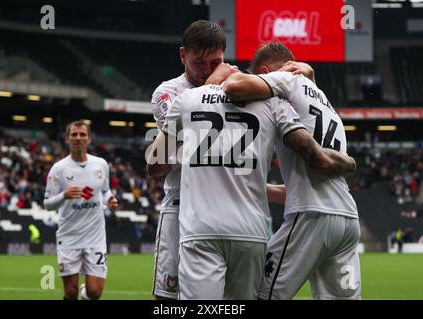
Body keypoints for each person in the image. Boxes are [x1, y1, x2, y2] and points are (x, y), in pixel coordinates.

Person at [148, 77, 355, 299]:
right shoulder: (281, 100)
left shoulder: (187, 98)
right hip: (263, 228)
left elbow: (155, 164)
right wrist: (349, 163)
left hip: (204, 223)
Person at [223, 41, 361, 300]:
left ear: (265, 72)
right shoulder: (326, 104)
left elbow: (234, 88)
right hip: (347, 221)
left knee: (258, 293)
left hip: (312, 216)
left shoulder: (286, 81)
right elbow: (309, 181)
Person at [148, 20, 238, 300]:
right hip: (181, 204)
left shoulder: (238, 87)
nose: (208, 70)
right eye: (200, 62)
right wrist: (211, 87)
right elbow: (163, 159)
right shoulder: (167, 93)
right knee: (168, 296)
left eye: (216, 62)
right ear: (182, 55)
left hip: (227, 205)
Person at [43, 120, 118, 300]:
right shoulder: (59, 169)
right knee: (70, 292)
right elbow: (47, 203)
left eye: (82, 134)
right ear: (67, 138)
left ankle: (86, 293)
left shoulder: (100, 164)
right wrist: (64, 196)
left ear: (89, 139)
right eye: (74, 135)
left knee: (94, 292)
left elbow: (105, 190)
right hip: (69, 236)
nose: (78, 138)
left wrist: (110, 199)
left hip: (95, 236)